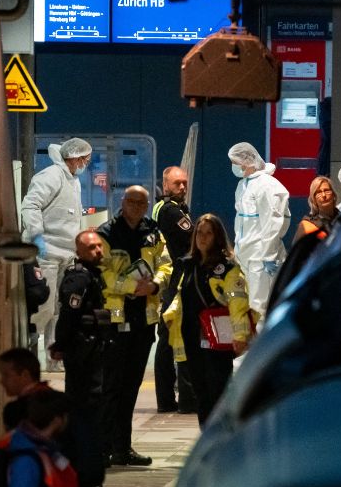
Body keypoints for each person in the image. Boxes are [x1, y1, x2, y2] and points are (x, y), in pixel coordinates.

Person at [96, 186, 171, 466]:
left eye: (142, 202)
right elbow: (102, 273)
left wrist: (154, 284)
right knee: (111, 386)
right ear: (122, 202)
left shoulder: (153, 232)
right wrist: (131, 286)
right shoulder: (106, 233)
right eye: (132, 201)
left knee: (131, 387)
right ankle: (103, 448)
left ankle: (122, 448)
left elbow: (167, 264)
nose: (137, 206)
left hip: (144, 318)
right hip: (115, 321)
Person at [162, 215, 251, 425]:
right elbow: (181, 296)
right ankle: (207, 437)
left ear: (217, 237)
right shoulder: (188, 264)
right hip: (192, 337)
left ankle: (222, 442)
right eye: (199, 233)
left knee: (218, 393)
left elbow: (238, 303)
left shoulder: (227, 267)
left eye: (208, 233)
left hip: (217, 339)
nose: (202, 237)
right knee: (200, 393)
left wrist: (240, 335)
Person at [22, 138, 92, 370]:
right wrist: (37, 240)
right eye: (84, 158)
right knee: (44, 307)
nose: (86, 163)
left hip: (66, 254)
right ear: (73, 157)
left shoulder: (73, 180)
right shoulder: (51, 176)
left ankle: (53, 358)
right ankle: (28, 354)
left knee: (60, 309)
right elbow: (31, 206)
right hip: (47, 253)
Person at [0, 348, 106, 487]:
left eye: (6, 375)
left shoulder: (16, 411)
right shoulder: (67, 403)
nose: (1, 381)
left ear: (25, 375)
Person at [50, 230, 111, 432]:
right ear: (79, 251)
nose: (98, 251)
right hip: (82, 348)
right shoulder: (79, 278)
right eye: (91, 248)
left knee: (95, 397)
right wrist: (61, 344)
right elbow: (69, 315)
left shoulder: (93, 275)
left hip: (94, 346)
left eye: (99, 246)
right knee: (83, 399)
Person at [151, 166, 197, 415]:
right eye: (177, 183)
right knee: (170, 337)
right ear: (165, 185)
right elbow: (192, 237)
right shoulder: (169, 210)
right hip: (175, 278)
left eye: (185, 183)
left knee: (170, 338)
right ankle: (169, 399)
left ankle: (170, 398)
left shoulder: (174, 208)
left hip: (174, 277)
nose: (182, 187)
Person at [228, 142, 290, 319]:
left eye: (235, 162)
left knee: (262, 310)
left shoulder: (268, 186)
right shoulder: (244, 185)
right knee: (251, 309)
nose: (234, 166)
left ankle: (264, 346)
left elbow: (273, 223)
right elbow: (242, 222)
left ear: (246, 162)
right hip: (247, 257)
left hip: (262, 260)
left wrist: (268, 256)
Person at [293, 176, 340, 245]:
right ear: (314, 199)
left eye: (326, 190)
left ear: (333, 194)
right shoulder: (306, 225)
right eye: (319, 192)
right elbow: (296, 253)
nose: (324, 195)